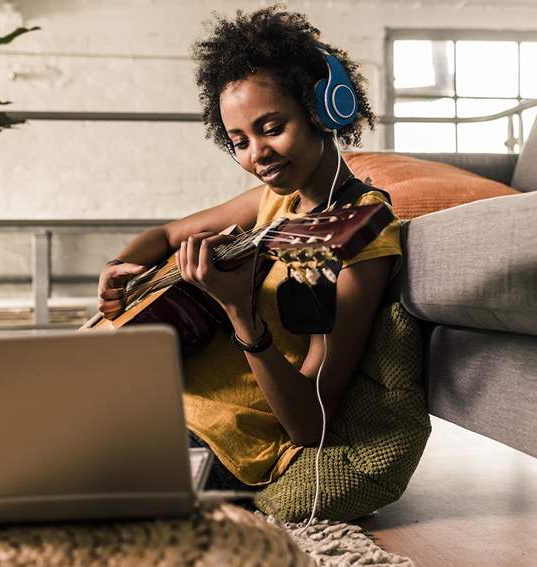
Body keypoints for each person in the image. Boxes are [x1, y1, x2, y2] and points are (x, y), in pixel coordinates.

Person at [96, 6, 401, 492]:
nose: (255, 154)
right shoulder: (271, 201)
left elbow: (312, 422)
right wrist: (120, 267)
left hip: (227, 445)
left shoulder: (361, 232)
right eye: (238, 140)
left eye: (272, 127)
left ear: (325, 110)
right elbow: (165, 235)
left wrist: (240, 311)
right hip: (158, 405)